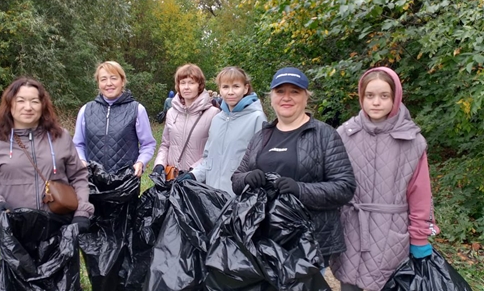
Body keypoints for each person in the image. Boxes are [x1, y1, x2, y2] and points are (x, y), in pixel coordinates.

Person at [231, 66, 356, 267]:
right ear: (271, 97)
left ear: (306, 97)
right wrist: (247, 178)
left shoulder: (324, 135)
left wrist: (300, 189)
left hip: (308, 244)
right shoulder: (261, 136)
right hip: (263, 239)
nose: (286, 97)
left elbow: (345, 187)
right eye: (280, 92)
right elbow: (236, 179)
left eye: (294, 92)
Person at [330, 67, 440, 291]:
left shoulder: (412, 141)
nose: (376, 102)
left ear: (395, 97)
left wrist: (419, 238)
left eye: (384, 96)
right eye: (370, 96)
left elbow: (420, 194)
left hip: (391, 237)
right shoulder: (345, 133)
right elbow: (331, 183)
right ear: (361, 97)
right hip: (350, 230)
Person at [0, 76, 94, 228]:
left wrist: (82, 213)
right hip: (14, 231)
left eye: (34, 101)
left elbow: (79, 177)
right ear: (10, 104)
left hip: (59, 228)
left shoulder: (60, 137)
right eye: (21, 100)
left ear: (43, 106)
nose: (28, 107)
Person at [177, 66, 267, 195]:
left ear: (245, 88)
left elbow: (261, 162)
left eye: (236, 86)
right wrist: (194, 175)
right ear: (220, 89)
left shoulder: (257, 118)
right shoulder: (217, 119)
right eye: (225, 87)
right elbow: (208, 158)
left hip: (239, 198)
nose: (230, 92)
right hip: (212, 197)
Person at [73, 61, 156, 175]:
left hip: (125, 182)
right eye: (103, 79)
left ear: (122, 81)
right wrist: (81, 161)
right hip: (92, 181)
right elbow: (78, 144)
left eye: (113, 78)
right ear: (98, 83)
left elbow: (148, 144)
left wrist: (141, 162)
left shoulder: (136, 109)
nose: (109, 83)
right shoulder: (86, 110)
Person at [152, 64, 220, 176]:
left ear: (200, 85)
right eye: (182, 83)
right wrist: (159, 164)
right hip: (172, 178)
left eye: (191, 83)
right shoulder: (171, 113)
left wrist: (193, 173)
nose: (186, 87)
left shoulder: (213, 114)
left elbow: (214, 152)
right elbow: (165, 144)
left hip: (196, 180)